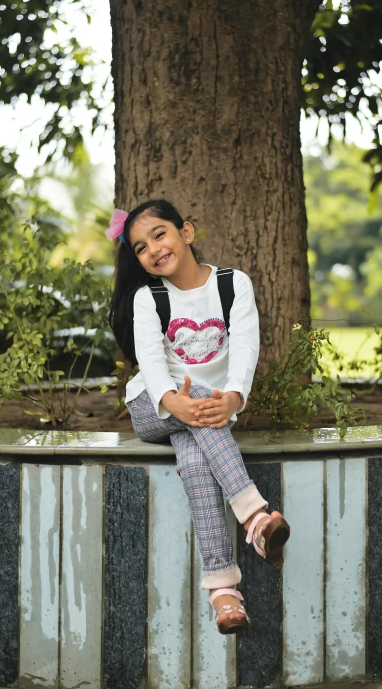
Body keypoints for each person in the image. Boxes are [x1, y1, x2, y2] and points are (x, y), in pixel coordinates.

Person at [107, 198, 290, 635]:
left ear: (185, 232)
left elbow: (246, 346)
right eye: (139, 248)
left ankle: (223, 590)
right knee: (197, 411)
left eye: (159, 234)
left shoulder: (232, 284)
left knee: (192, 457)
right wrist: (174, 401)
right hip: (153, 408)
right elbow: (151, 362)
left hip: (210, 413)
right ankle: (253, 515)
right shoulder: (148, 298)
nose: (152, 249)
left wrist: (234, 398)